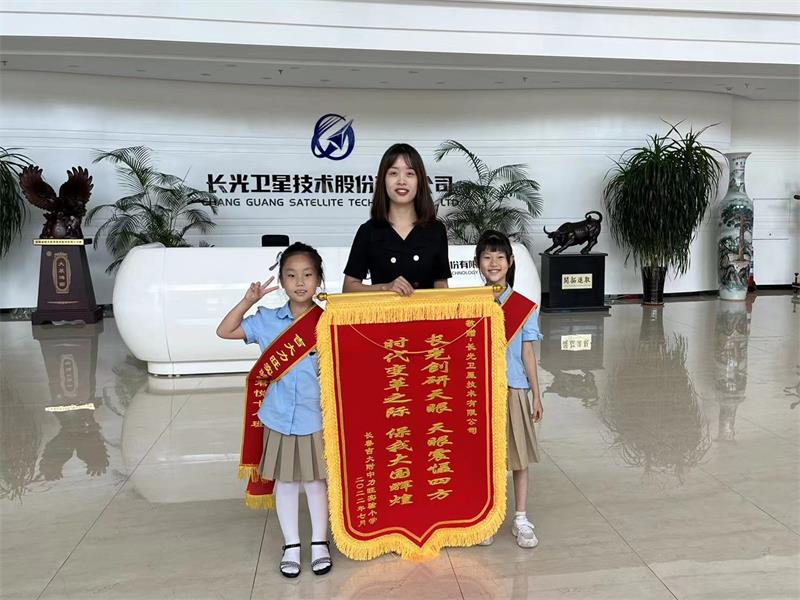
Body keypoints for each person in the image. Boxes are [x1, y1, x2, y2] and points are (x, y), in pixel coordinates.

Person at [216, 242, 331, 578]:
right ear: (281, 281)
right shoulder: (267, 320)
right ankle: (291, 544)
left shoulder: (327, 321)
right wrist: (248, 301)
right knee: (286, 483)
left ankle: (320, 543)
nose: (300, 282)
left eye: (308, 275)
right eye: (291, 275)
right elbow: (225, 330)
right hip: (279, 416)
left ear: (319, 279)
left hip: (316, 417)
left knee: (315, 483)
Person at [475, 230, 544, 548]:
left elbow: (528, 352)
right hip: (481, 392)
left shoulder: (523, 306)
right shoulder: (471, 304)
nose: (494, 263)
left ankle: (521, 518)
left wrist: (536, 394)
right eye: (487, 257)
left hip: (514, 388)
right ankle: (488, 517)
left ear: (510, 261)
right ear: (478, 263)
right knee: (485, 458)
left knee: (518, 458)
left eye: (499, 257)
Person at [343, 143, 451, 294]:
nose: (401, 180)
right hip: (383, 310)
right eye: (393, 173)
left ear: (420, 181)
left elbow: (441, 286)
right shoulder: (368, 231)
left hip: (425, 310)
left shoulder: (436, 230)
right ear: (383, 180)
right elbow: (348, 288)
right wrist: (384, 288)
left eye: (410, 173)